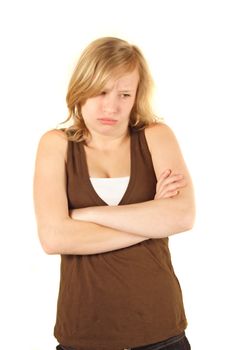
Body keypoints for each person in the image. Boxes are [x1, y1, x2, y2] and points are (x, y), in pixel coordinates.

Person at [33, 37, 195, 350]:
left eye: (124, 94)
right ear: (82, 87)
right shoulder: (56, 144)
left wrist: (88, 215)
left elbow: (182, 216)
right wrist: (151, 218)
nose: (112, 106)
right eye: (101, 91)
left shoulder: (157, 137)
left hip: (161, 330)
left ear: (137, 97)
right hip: (83, 333)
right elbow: (54, 238)